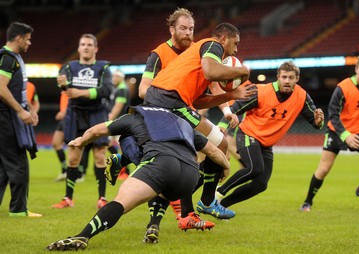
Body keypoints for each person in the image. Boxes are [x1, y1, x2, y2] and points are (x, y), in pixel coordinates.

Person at [46, 105, 230, 251]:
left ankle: (83, 236)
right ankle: (153, 224)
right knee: (163, 186)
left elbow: (96, 131)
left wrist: (81, 141)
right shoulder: (182, 124)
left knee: (120, 202)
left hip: (160, 164)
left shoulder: (133, 117)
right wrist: (226, 167)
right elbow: (214, 151)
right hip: (189, 177)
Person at [144, 22, 253, 220]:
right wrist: (242, 72)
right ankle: (205, 201)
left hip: (172, 101)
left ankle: (186, 207)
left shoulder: (200, 60)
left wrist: (232, 94)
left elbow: (198, 100)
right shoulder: (213, 45)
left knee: (196, 154)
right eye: (235, 43)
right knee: (218, 145)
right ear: (223, 38)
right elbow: (212, 72)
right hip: (171, 102)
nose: (236, 49)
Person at [215, 61, 324, 211]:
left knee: (261, 184)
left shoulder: (302, 96)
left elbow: (315, 121)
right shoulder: (261, 91)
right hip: (248, 134)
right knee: (255, 168)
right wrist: (223, 124)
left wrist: (318, 121)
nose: (287, 81)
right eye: (284, 77)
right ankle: (219, 192)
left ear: (297, 79)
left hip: (266, 144)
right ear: (278, 77)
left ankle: (221, 206)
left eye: (291, 77)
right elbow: (237, 106)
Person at [300, 55, 359, 212]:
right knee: (324, 169)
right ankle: (307, 202)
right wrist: (345, 135)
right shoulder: (343, 87)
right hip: (337, 132)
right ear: (356, 69)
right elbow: (333, 115)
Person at [51, 33, 113, 209]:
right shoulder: (69, 68)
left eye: (89, 44)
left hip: (98, 114)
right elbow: (64, 87)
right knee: (73, 158)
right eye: (83, 44)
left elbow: (106, 90)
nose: (86, 47)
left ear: (96, 48)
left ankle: (102, 198)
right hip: (75, 115)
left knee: (100, 156)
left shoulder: (103, 68)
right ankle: (68, 199)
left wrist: (82, 93)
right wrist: (62, 85)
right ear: (78, 48)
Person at [0, 22, 41, 217]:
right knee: (18, 162)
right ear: (18, 38)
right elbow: (1, 88)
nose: (30, 42)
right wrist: (19, 111)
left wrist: (30, 108)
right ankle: (18, 210)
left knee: (3, 166)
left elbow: (20, 91)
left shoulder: (14, 58)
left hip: (7, 117)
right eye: (28, 38)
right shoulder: (7, 59)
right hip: (5, 118)